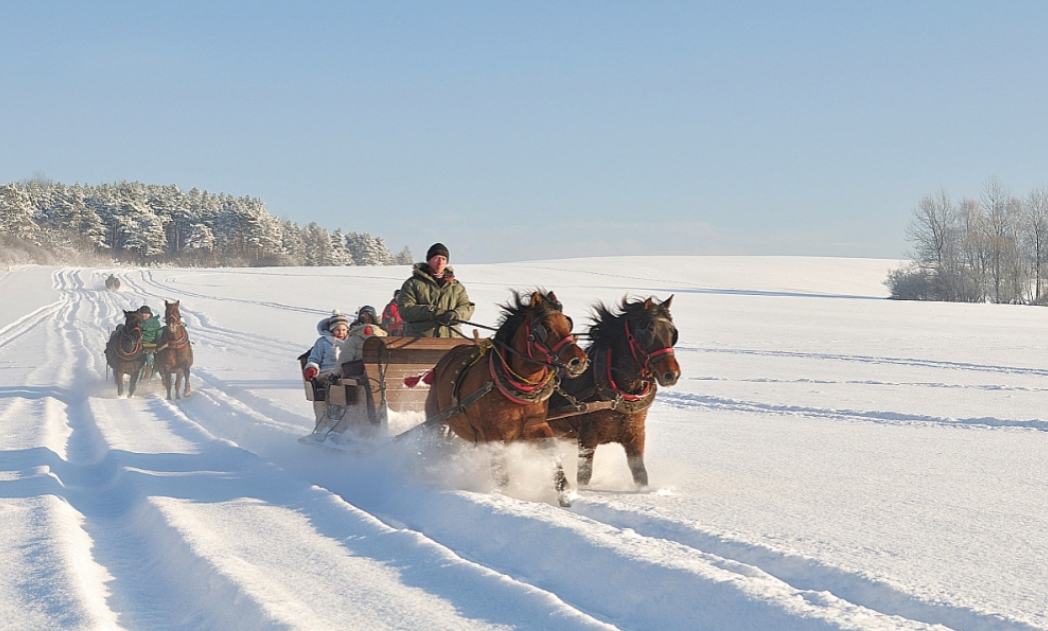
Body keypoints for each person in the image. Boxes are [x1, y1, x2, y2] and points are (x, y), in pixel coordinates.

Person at [397, 242, 474, 337]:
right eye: (436, 258)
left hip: (451, 339)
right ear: (429, 260)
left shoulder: (456, 286)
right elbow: (406, 310)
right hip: (419, 341)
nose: (440, 262)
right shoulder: (413, 284)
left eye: (443, 259)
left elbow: (467, 307)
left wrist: (455, 314)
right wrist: (433, 312)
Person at [302, 310, 351, 432]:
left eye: (344, 330)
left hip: (347, 373)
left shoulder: (351, 342)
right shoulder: (323, 342)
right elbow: (314, 358)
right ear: (332, 330)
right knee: (337, 384)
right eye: (338, 330)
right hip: (327, 373)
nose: (341, 333)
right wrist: (312, 367)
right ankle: (332, 417)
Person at [138, 305, 163, 376]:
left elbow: (159, 334)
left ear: (149, 314)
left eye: (145, 313)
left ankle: (148, 375)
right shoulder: (136, 321)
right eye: (142, 313)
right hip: (138, 345)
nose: (143, 315)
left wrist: (158, 345)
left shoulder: (155, 323)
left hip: (151, 345)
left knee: (150, 358)